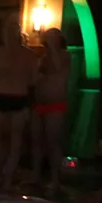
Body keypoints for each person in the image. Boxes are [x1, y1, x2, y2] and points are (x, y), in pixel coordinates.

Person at [0, 18, 37, 190]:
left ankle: (3, 179)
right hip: (4, 96)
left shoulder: (27, 55)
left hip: (16, 97)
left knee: (11, 141)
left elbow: (33, 80)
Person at [30, 27, 70, 193]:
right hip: (39, 103)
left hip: (55, 105)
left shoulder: (65, 56)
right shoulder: (43, 57)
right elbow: (34, 78)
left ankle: (55, 179)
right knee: (36, 141)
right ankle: (36, 176)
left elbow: (58, 67)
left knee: (53, 142)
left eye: (53, 37)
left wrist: (53, 48)